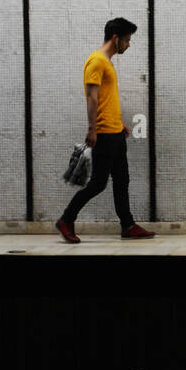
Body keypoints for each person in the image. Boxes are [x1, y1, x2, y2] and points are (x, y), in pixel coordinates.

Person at [56, 17, 154, 243]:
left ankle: (128, 225)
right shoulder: (97, 61)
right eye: (127, 40)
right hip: (104, 134)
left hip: (115, 131)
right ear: (115, 38)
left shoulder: (106, 62)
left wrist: (119, 123)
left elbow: (107, 98)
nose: (128, 45)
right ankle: (66, 220)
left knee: (122, 179)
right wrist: (92, 129)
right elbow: (92, 97)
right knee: (99, 183)